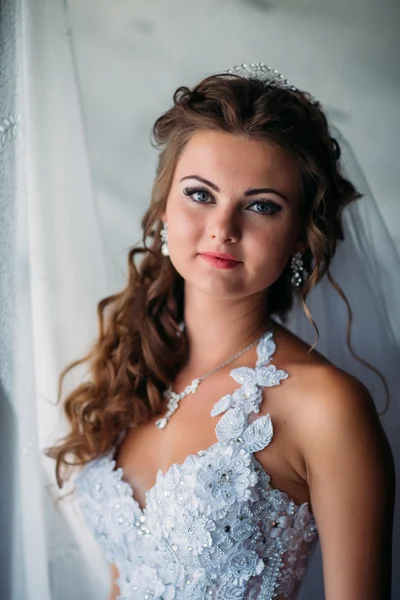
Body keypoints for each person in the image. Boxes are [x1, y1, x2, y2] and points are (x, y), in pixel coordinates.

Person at [46, 63, 395, 600]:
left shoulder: (328, 407)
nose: (222, 229)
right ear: (164, 207)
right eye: (200, 194)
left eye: (261, 206)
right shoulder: (132, 366)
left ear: (302, 235)